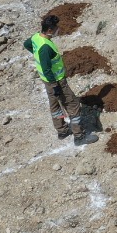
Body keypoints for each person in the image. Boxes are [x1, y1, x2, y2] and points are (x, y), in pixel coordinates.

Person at [25, 15, 96, 145]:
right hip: (56, 81)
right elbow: (47, 69)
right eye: (56, 28)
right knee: (73, 105)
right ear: (50, 30)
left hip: (46, 81)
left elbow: (27, 44)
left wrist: (37, 55)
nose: (58, 30)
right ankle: (79, 136)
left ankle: (62, 131)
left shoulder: (36, 37)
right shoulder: (45, 47)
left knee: (55, 106)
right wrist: (56, 86)